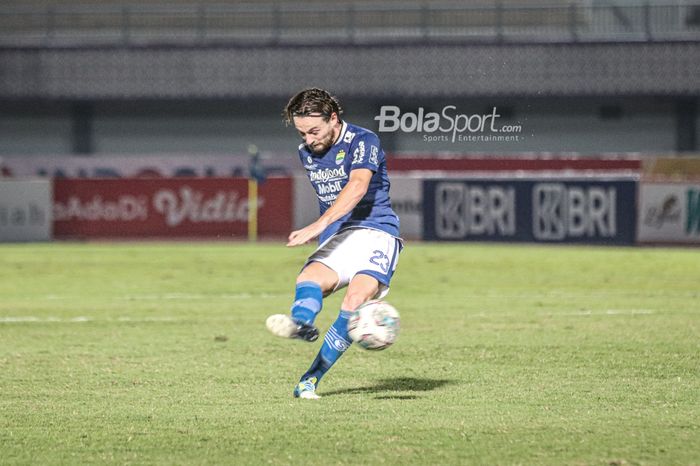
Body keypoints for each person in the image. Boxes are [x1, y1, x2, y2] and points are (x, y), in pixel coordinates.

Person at [266, 88, 403, 399]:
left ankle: (309, 381)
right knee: (309, 280)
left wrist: (317, 225)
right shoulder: (307, 152)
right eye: (302, 133)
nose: (309, 139)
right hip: (340, 236)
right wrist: (326, 229)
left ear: (334, 118)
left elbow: (357, 186)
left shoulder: (363, 140)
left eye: (314, 131)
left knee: (354, 301)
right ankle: (302, 324)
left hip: (376, 232)